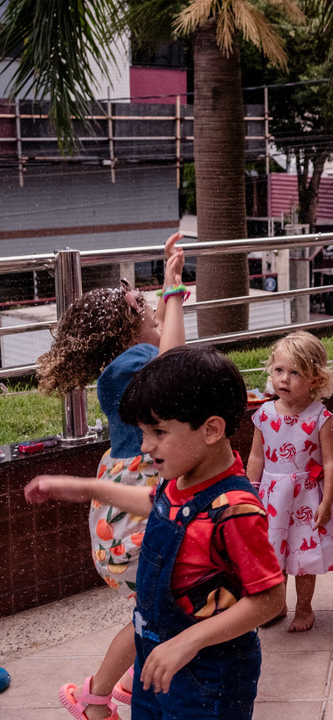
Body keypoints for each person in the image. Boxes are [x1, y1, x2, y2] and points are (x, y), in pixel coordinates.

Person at [26, 346, 287, 720]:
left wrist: (189, 640)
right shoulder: (180, 481)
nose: (146, 446)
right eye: (143, 432)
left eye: (158, 432)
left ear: (211, 429)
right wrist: (85, 488)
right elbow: (155, 504)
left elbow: (270, 599)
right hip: (155, 656)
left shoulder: (235, 509)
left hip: (209, 674)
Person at [35, 233, 186, 720]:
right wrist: (172, 290)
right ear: (127, 330)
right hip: (133, 520)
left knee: (163, 606)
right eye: (147, 313)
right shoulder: (129, 367)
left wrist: (170, 290)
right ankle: (94, 696)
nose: (157, 316)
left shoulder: (128, 363)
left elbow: (170, 349)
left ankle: (122, 685)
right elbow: (175, 366)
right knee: (151, 614)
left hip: (129, 514)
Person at [246, 331, 333, 633]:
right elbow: (256, 457)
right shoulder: (264, 414)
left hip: (306, 500)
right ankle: (277, 605)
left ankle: (304, 607)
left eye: (295, 373)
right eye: (279, 370)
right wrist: (249, 492)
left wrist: (327, 502)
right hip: (272, 499)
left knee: (303, 556)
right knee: (274, 556)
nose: (284, 379)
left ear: (315, 379)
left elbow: (331, 462)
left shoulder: (320, 417)